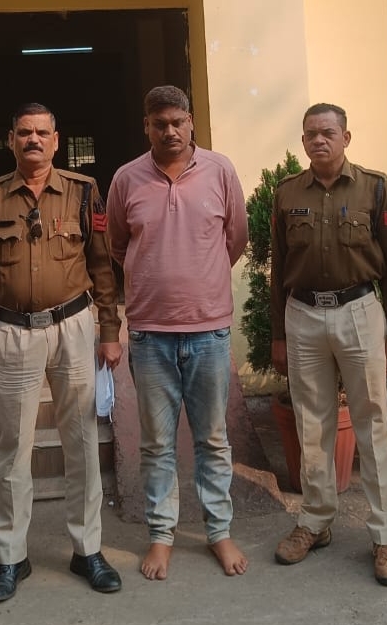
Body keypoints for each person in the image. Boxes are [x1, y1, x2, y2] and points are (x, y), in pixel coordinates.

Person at [0, 102, 123, 599]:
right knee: (13, 448)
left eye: (42, 133)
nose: (33, 140)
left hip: (73, 327)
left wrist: (109, 328)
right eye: (24, 132)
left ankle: (88, 550)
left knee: (82, 441)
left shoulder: (82, 191)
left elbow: (102, 266)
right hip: (13, 334)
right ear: (11, 140)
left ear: (56, 140)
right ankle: (12, 557)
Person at [106, 85, 249, 581]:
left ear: (191, 123)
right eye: (159, 123)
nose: (170, 131)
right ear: (146, 126)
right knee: (157, 443)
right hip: (150, 334)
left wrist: (201, 280)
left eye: (178, 122)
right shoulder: (126, 179)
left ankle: (219, 531)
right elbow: (119, 245)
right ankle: (162, 535)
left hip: (209, 330)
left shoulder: (220, 170)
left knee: (213, 438)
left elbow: (235, 238)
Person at [269, 103, 387, 586]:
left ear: (346, 137)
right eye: (310, 134)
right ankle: (315, 520)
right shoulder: (287, 193)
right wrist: (278, 334)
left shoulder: (374, 187)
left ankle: (386, 535)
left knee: (372, 422)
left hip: (358, 310)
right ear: (303, 140)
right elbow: (277, 268)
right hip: (303, 313)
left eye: (328, 132)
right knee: (311, 423)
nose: (318, 140)